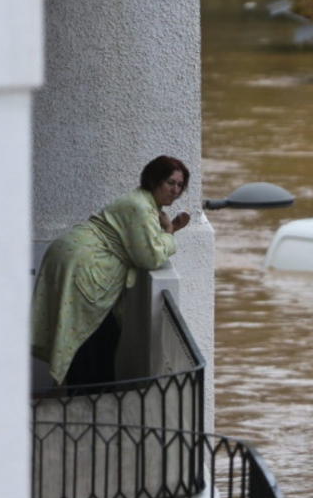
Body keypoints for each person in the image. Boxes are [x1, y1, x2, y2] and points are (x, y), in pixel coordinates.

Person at [31, 155, 192, 387]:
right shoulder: (141, 207)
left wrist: (168, 230)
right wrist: (169, 231)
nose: (175, 190)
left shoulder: (143, 203)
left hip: (75, 259)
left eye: (180, 185)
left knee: (95, 338)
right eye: (170, 183)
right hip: (84, 265)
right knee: (93, 338)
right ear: (154, 180)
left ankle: (87, 399)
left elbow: (142, 241)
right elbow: (150, 257)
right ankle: (90, 403)